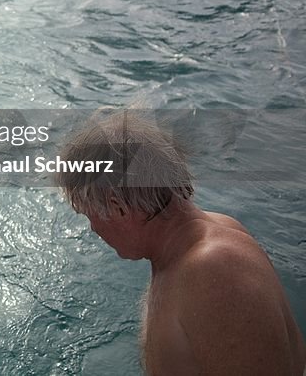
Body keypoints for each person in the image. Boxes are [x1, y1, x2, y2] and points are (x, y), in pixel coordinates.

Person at [55, 110, 306, 375]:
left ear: (117, 207)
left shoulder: (214, 269)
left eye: (89, 215)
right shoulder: (189, 249)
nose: (94, 229)